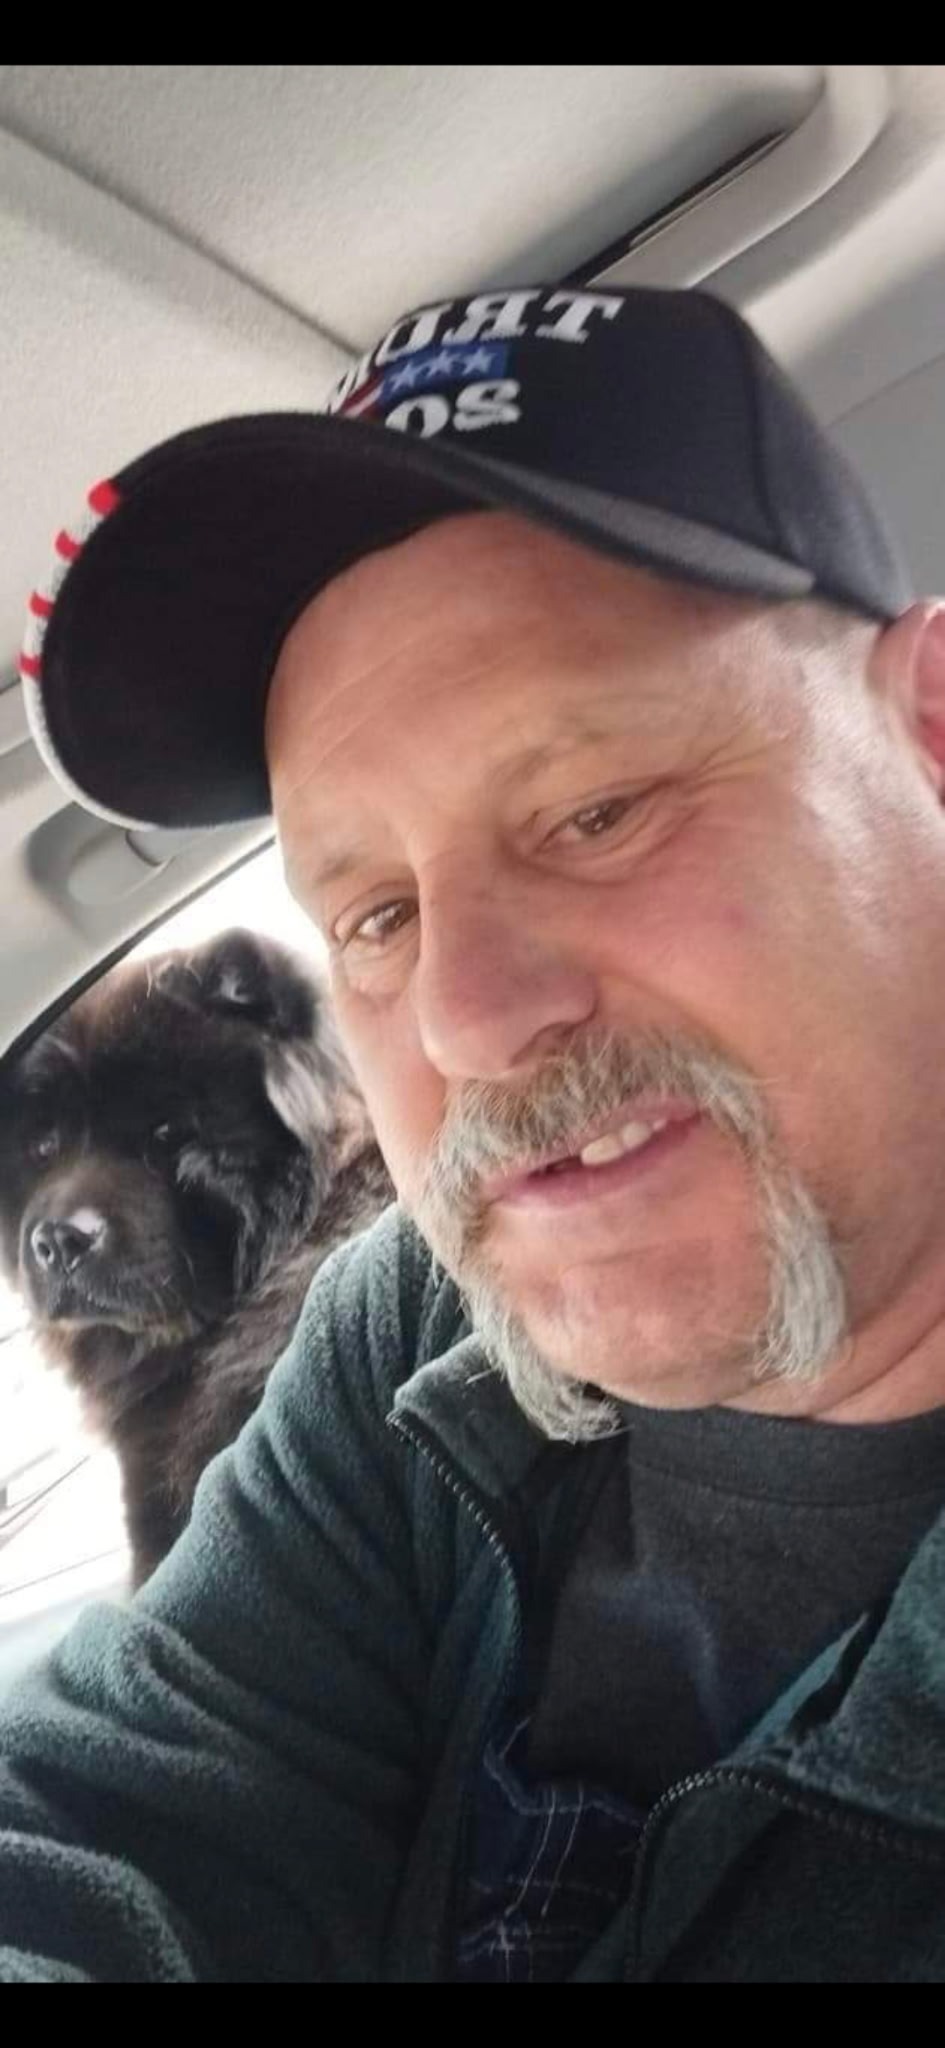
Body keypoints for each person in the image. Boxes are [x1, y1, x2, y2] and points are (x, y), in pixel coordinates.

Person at [5, 283, 945, 1983]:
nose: (463, 1019)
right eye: (373, 914)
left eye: (594, 811)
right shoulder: (414, 1333)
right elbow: (114, 1814)